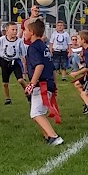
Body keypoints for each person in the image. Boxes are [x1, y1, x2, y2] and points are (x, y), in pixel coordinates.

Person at [23, 17, 63, 145]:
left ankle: (54, 137)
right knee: (36, 113)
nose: (24, 33)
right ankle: (47, 137)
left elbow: (39, 66)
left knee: (36, 113)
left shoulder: (33, 48)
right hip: (49, 82)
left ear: (32, 32)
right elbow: (51, 68)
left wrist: (32, 83)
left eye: (25, 30)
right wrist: (54, 84)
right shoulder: (44, 47)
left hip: (41, 84)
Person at [0, 21, 24, 103]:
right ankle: (8, 99)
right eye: (13, 30)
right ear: (7, 31)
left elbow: (23, 55)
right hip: (4, 61)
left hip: (15, 61)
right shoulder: (1, 40)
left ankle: (28, 93)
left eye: (16, 29)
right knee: (5, 83)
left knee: (20, 80)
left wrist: (25, 66)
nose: (15, 31)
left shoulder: (19, 41)